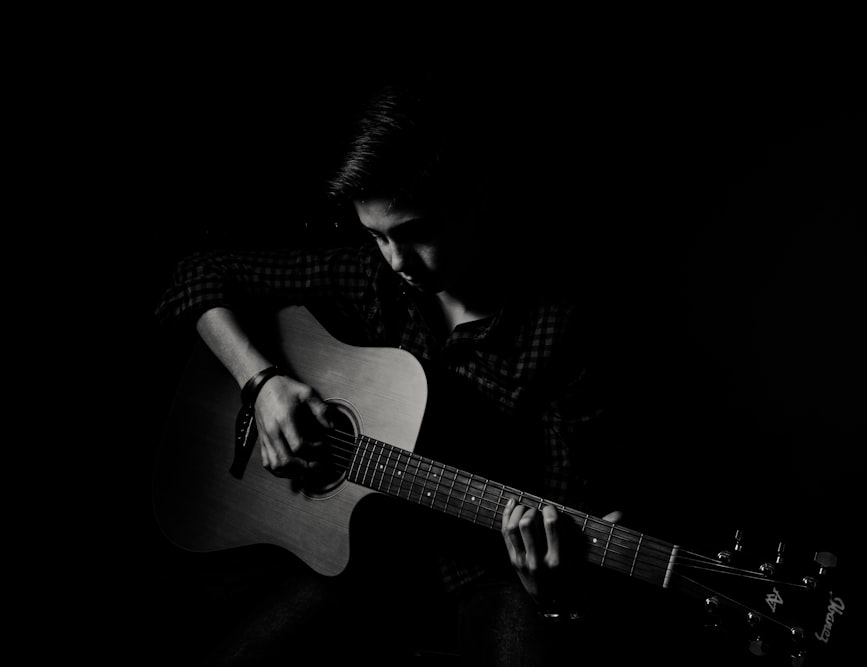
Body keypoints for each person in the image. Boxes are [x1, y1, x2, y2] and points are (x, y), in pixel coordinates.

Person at [153, 78, 647, 665]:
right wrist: (261, 384)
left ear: (476, 196)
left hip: (484, 569)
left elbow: (567, 510)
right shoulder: (371, 274)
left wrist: (552, 585)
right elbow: (197, 274)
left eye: (415, 233)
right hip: (365, 555)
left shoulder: (561, 329)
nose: (397, 261)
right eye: (377, 237)